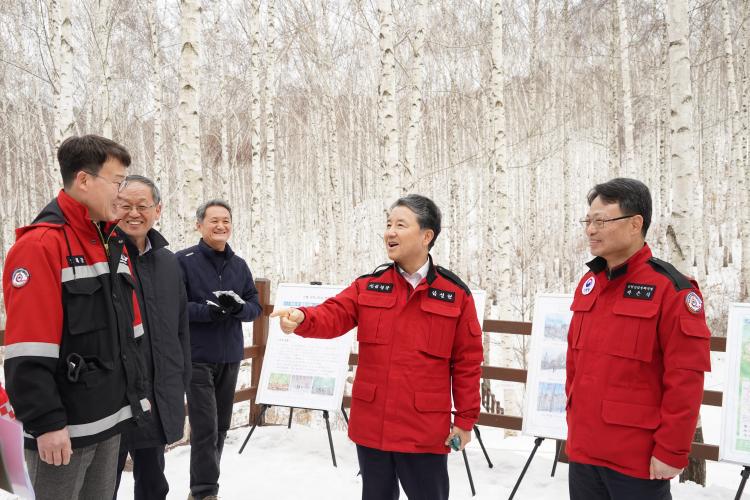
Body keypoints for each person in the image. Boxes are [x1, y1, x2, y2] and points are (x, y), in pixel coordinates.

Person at [272, 194, 484, 500]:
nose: (390, 232)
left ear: (427, 235)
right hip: (374, 428)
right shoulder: (370, 286)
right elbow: (334, 313)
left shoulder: (454, 295)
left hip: (423, 430)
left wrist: (465, 422)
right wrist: (303, 317)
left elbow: (467, 363)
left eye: (400, 224)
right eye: (388, 225)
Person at [2, 135, 150, 500]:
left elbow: (130, 334)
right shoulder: (40, 246)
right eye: (117, 182)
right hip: (63, 433)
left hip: (110, 419)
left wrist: (136, 397)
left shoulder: (112, 241)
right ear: (84, 180)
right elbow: (27, 349)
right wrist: (47, 422)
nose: (122, 193)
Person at [565, 178, 712, 500]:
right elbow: (576, 365)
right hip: (584, 452)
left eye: (601, 221)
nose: (590, 230)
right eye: (588, 221)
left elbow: (685, 380)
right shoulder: (589, 284)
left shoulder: (672, 290)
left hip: (637, 460)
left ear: (635, 224)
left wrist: (671, 451)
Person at [176, 200, 262, 500]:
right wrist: (206, 311)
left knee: (221, 426)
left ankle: (204, 488)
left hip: (229, 354)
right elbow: (175, 306)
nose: (221, 226)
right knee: (205, 428)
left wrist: (239, 308)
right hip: (197, 356)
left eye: (225, 220)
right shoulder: (182, 261)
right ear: (199, 225)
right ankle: (204, 492)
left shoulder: (238, 265)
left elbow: (255, 306)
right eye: (214, 220)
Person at [113, 175, 191, 500]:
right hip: (111, 402)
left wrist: (179, 382)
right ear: (112, 209)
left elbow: (180, 330)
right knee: (102, 487)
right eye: (125, 206)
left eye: (142, 206)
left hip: (154, 397)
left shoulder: (168, 262)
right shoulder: (102, 258)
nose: (134, 213)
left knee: (153, 485)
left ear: (157, 210)